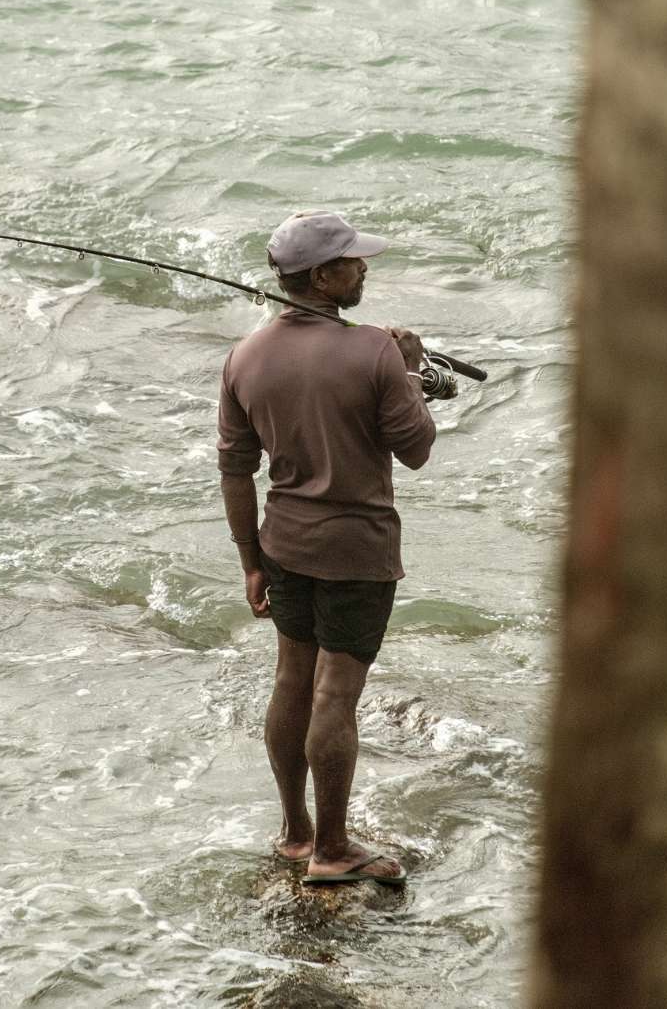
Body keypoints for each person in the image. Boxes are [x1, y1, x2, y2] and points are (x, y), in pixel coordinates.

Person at [218, 210, 436, 887]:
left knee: (292, 680)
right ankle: (335, 850)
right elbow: (419, 448)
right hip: (356, 550)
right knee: (335, 696)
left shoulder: (244, 356)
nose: (364, 267)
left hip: (283, 543)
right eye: (352, 261)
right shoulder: (374, 349)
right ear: (321, 276)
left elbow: (234, 467)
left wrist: (250, 558)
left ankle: (295, 831)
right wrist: (409, 366)